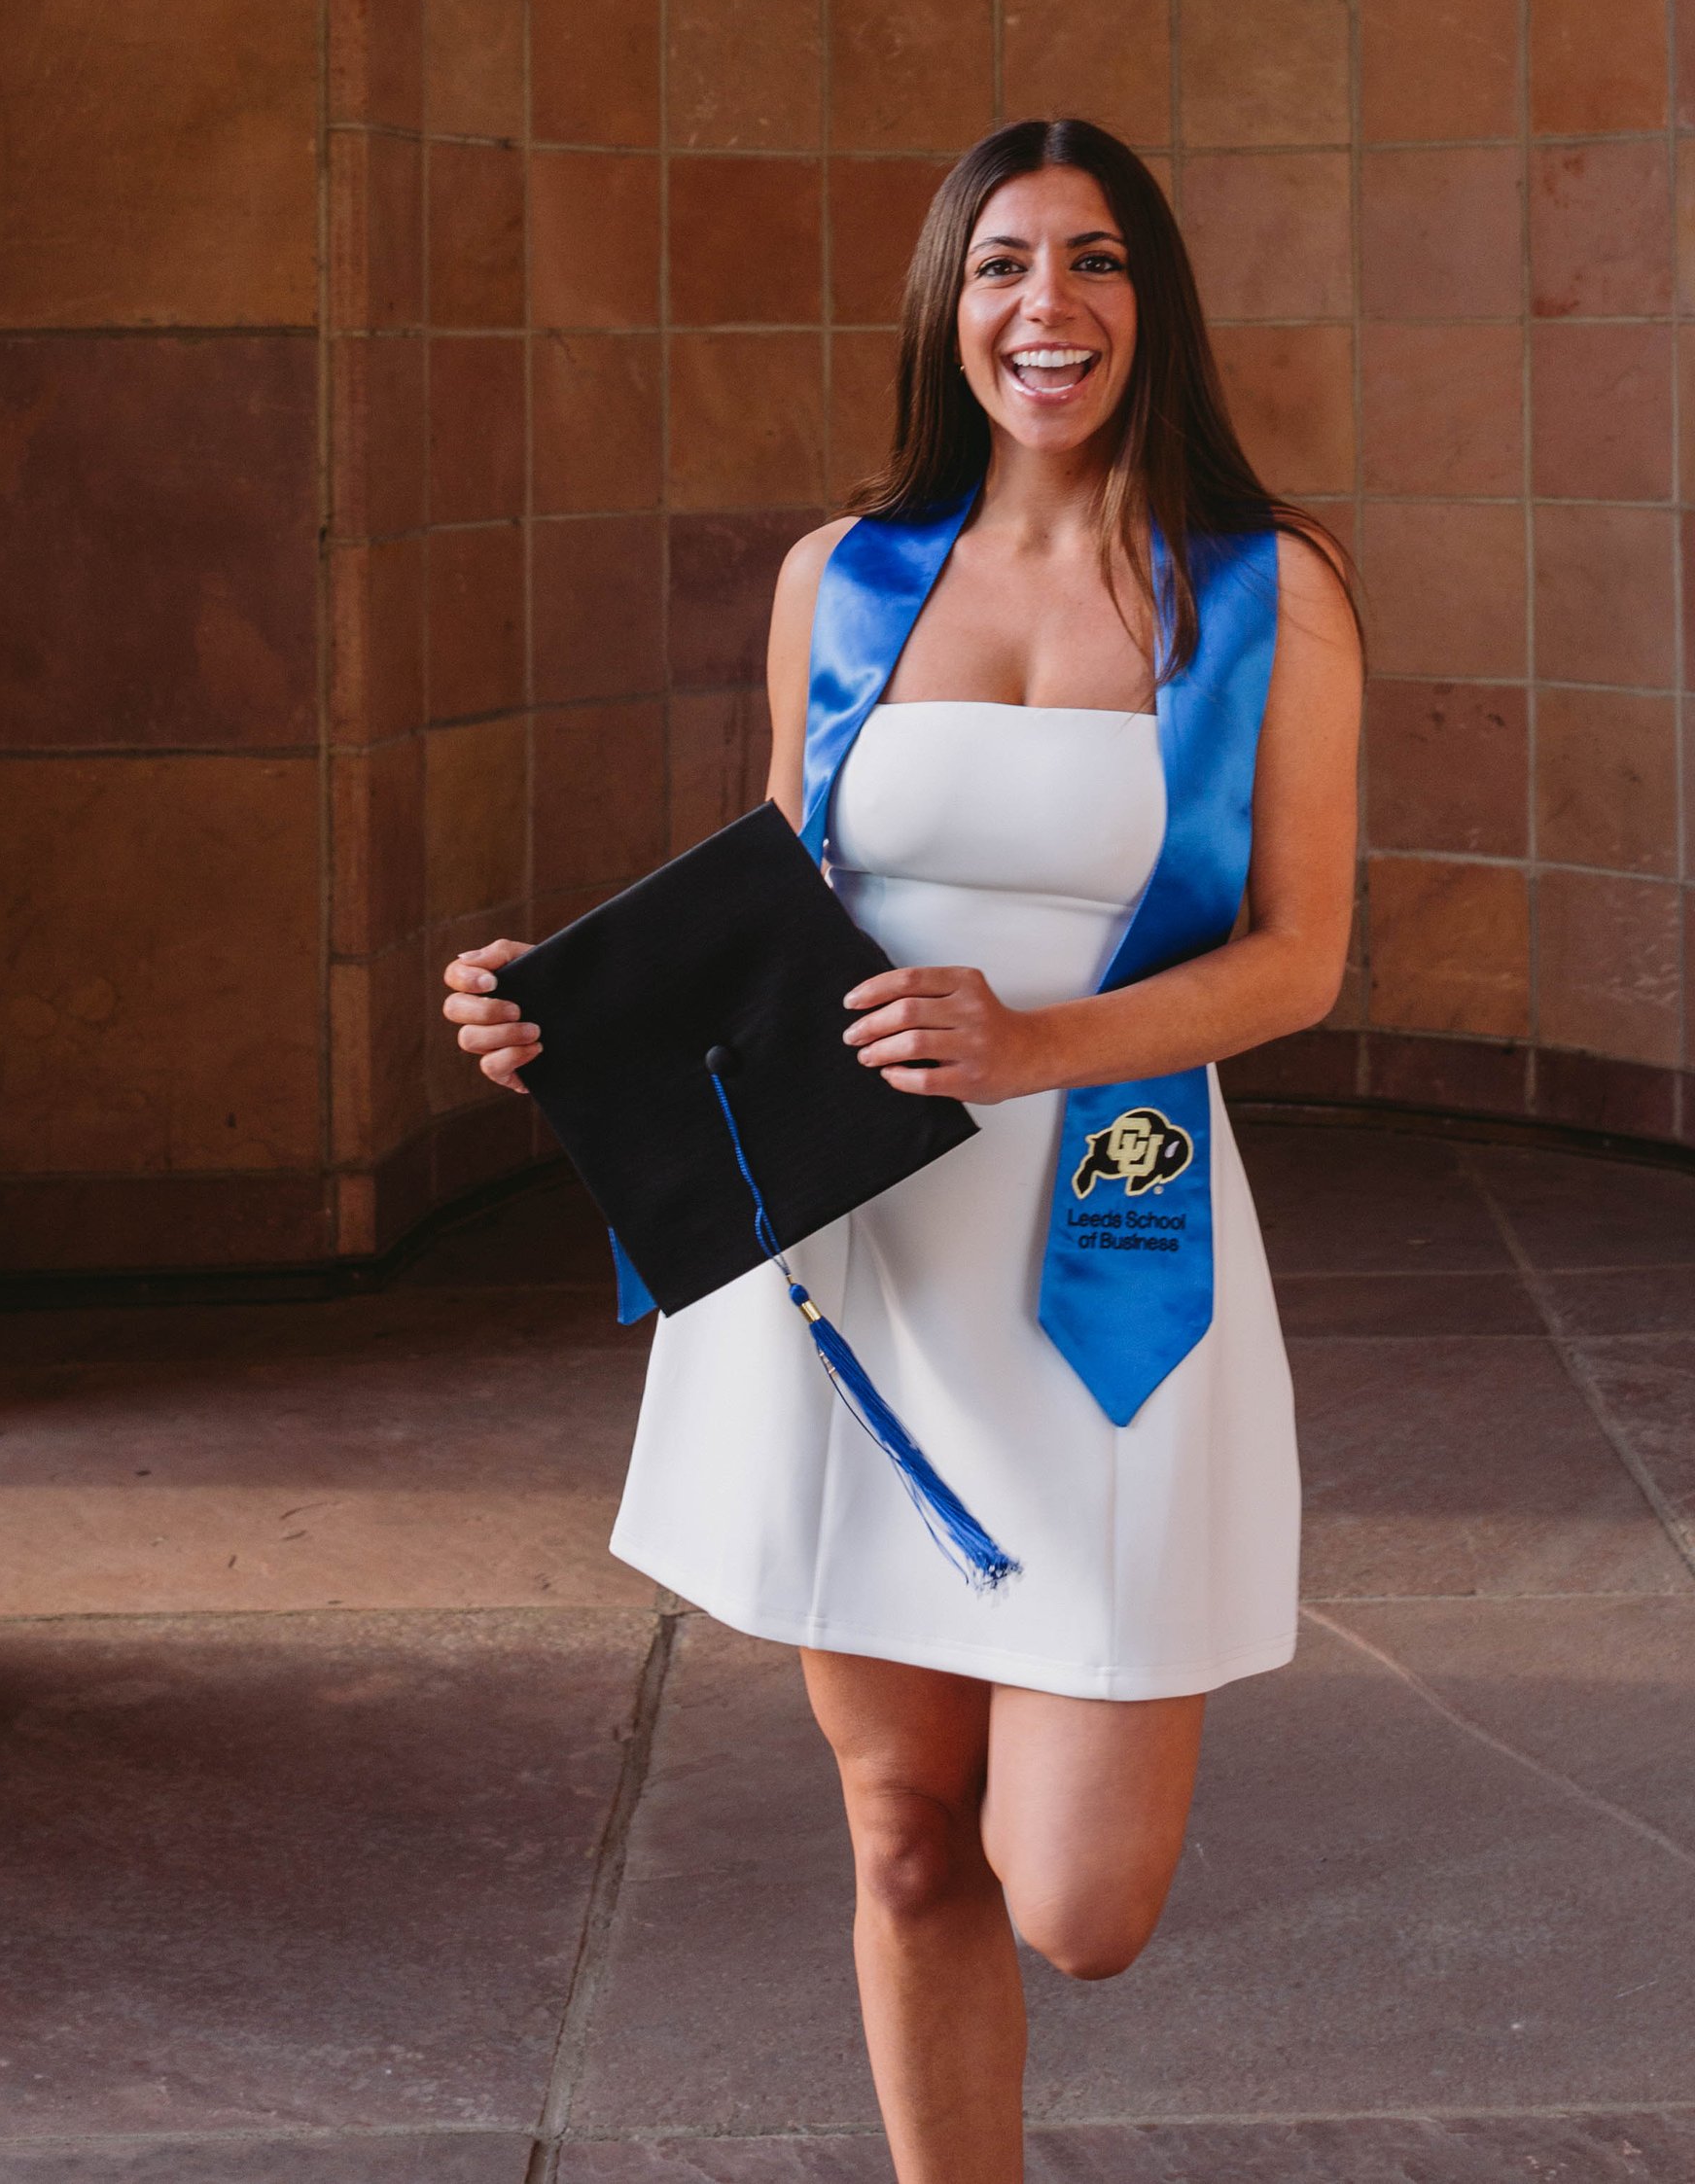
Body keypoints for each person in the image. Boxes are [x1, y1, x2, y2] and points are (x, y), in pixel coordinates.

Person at [442, 115, 1362, 2182]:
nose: (1050, 307)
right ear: (949, 311)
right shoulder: (843, 579)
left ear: (1155, 304)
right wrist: (561, 1015)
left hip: (1101, 1248)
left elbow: (1299, 955)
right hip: (848, 1244)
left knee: (1077, 1901)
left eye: (1097, 262)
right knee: (900, 1834)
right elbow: (774, 899)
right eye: (1004, 266)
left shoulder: (1262, 590)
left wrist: (1040, 1040)